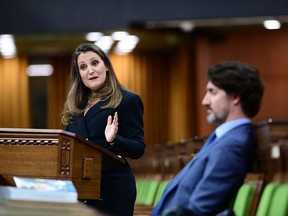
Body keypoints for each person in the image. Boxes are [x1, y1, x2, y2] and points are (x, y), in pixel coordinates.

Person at [151, 61, 264, 216]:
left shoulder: (232, 145)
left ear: (236, 97)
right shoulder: (225, 139)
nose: (205, 101)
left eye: (213, 92)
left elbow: (198, 211)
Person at [61, 43, 145, 216]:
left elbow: (138, 148)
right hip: (80, 188)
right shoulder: (76, 107)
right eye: (83, 67)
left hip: (113, 189)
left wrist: (114, 140)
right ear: (79, 75)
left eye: (94, 63)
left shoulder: (127, 100)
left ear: (106, 65)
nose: (90, 70)